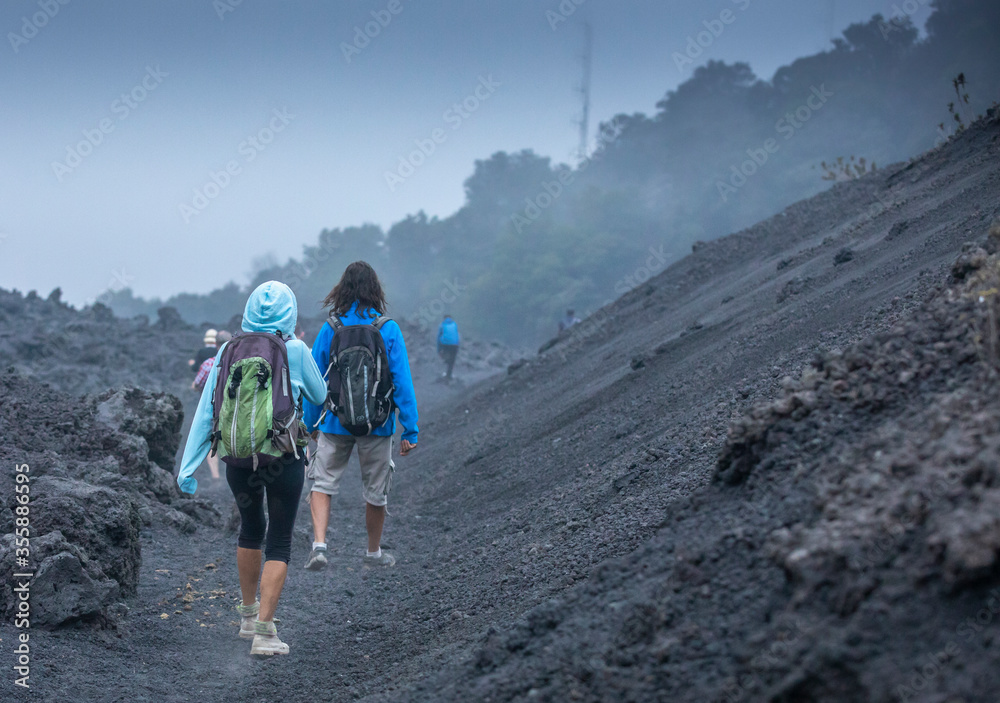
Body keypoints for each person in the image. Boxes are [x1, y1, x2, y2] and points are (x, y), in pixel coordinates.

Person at [177, 281, 326, 657]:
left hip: (237, 459)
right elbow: (320, 396)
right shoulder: (295, 348)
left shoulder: (228, 349)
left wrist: (188, 467)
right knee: (278, 538)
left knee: (250, 528)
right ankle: (264, 633)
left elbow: (207, 411)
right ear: (289, 312)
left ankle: (246, 617)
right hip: (283, 458)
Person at [302, 261, 418, 571]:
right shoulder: (387, 328)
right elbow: (402, 380)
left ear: (342, 289)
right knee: (375, 492)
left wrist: (309, 422)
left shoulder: (332, 327)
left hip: (333, 421)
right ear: (375, 290)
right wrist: (411, 429)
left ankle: (319, 547)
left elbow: (315, 379)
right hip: (377, 425)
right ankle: (373, 553)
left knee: (323, 484)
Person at [191, 330, 232, 479]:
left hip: (213, 408)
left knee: (212, 440)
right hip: (235, 409)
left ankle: (216, 476)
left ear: (216, 344)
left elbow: (197, 383)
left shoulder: (208, 364)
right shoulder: (240, 363)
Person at [437, 314, 460, 380]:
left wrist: (439, 350)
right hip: (455, 344)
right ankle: (449, 374)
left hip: (445, 344)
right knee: (452, 360)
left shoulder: (442, 325)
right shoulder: (455, 324)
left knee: (446, 356)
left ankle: (446, 360)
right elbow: (457, 335)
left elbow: (438, 338)